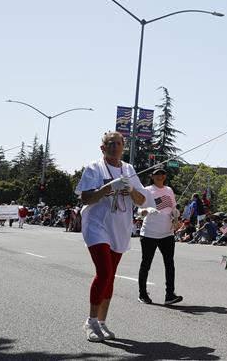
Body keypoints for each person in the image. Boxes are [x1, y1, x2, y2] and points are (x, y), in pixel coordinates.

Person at [75, 131, 150, 343]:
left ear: (123, 147)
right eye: (111, 143)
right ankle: (90, 321)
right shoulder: (94, 168)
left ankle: (102, 322)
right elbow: (86, 198)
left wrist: (130, 188)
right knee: (104, 272)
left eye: (119, 143)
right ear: (103, 148)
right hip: (97, 225)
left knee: (111, 275)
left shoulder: (129, 169)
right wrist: (108, 187)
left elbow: (141, 199)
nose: (115, 146)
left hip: (119, 226)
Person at [137, 166, 183, 306]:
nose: (160, 176)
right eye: (157, 174)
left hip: (167, 233)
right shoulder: (147, 190)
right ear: (152, 176)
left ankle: (169, 295)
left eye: (162, 174)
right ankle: (142, 294)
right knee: (146, 264)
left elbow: (172, 209)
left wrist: (175, 214)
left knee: (170, 265)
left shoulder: (169, 190)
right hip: (149, 233)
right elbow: (139, 211)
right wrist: (147, 210)